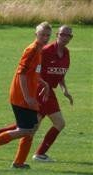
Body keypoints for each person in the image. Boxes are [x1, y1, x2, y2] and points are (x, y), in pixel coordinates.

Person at [0, 22, 52, 169]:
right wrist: (28, 97)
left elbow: (33, 73)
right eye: (42, 35)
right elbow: (21, 74)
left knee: (31, 128)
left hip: (26, 95)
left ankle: (19, 162)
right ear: (36, 34)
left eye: (48, 35)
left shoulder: (39, 50)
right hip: (21, 96)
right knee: (27, 130)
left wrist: (44, 83)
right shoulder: (31, 50)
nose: (45, 38)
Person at [33, 25, 74, 162]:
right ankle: (39, 154)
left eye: (68, 35)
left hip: (49, 92)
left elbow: (60, 74)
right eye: (62, 34)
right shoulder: (46, 51)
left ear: (71, 38)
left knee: (31, 126)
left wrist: (65, 90)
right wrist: (43, 85)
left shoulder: (66, 53)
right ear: (57, 35)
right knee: (59, 123)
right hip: (40, 91)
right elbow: (34, 72)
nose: (65, 37)